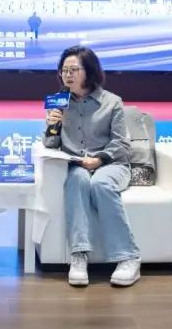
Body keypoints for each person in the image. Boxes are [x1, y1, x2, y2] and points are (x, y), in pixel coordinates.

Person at [44, 46, 141, 287]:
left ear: (89, 71)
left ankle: (128, 257)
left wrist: (99, 159)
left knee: (100, 183)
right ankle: (78, 255)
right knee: (77, 180)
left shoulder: (112, 102)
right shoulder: (59, 102)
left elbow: (121, 143)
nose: (67, 75)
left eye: (73, 70)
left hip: (111, 163)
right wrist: (52, 126)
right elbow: (50, 144)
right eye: (64, 70)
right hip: (77, 164)